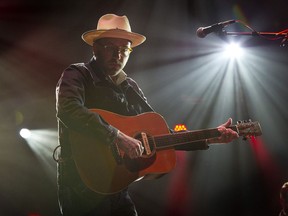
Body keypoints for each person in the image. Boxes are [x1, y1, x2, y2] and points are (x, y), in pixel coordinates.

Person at [55, 13, 239, 216]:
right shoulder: (78, 74)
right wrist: (116, 136)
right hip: (82, 185)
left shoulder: (129, 86)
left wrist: (212, 137)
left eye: (124, 49)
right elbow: (68, 109)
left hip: (117, 184)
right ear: (95, 47)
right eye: (111, 48)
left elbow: (162, 134)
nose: (118, 55)